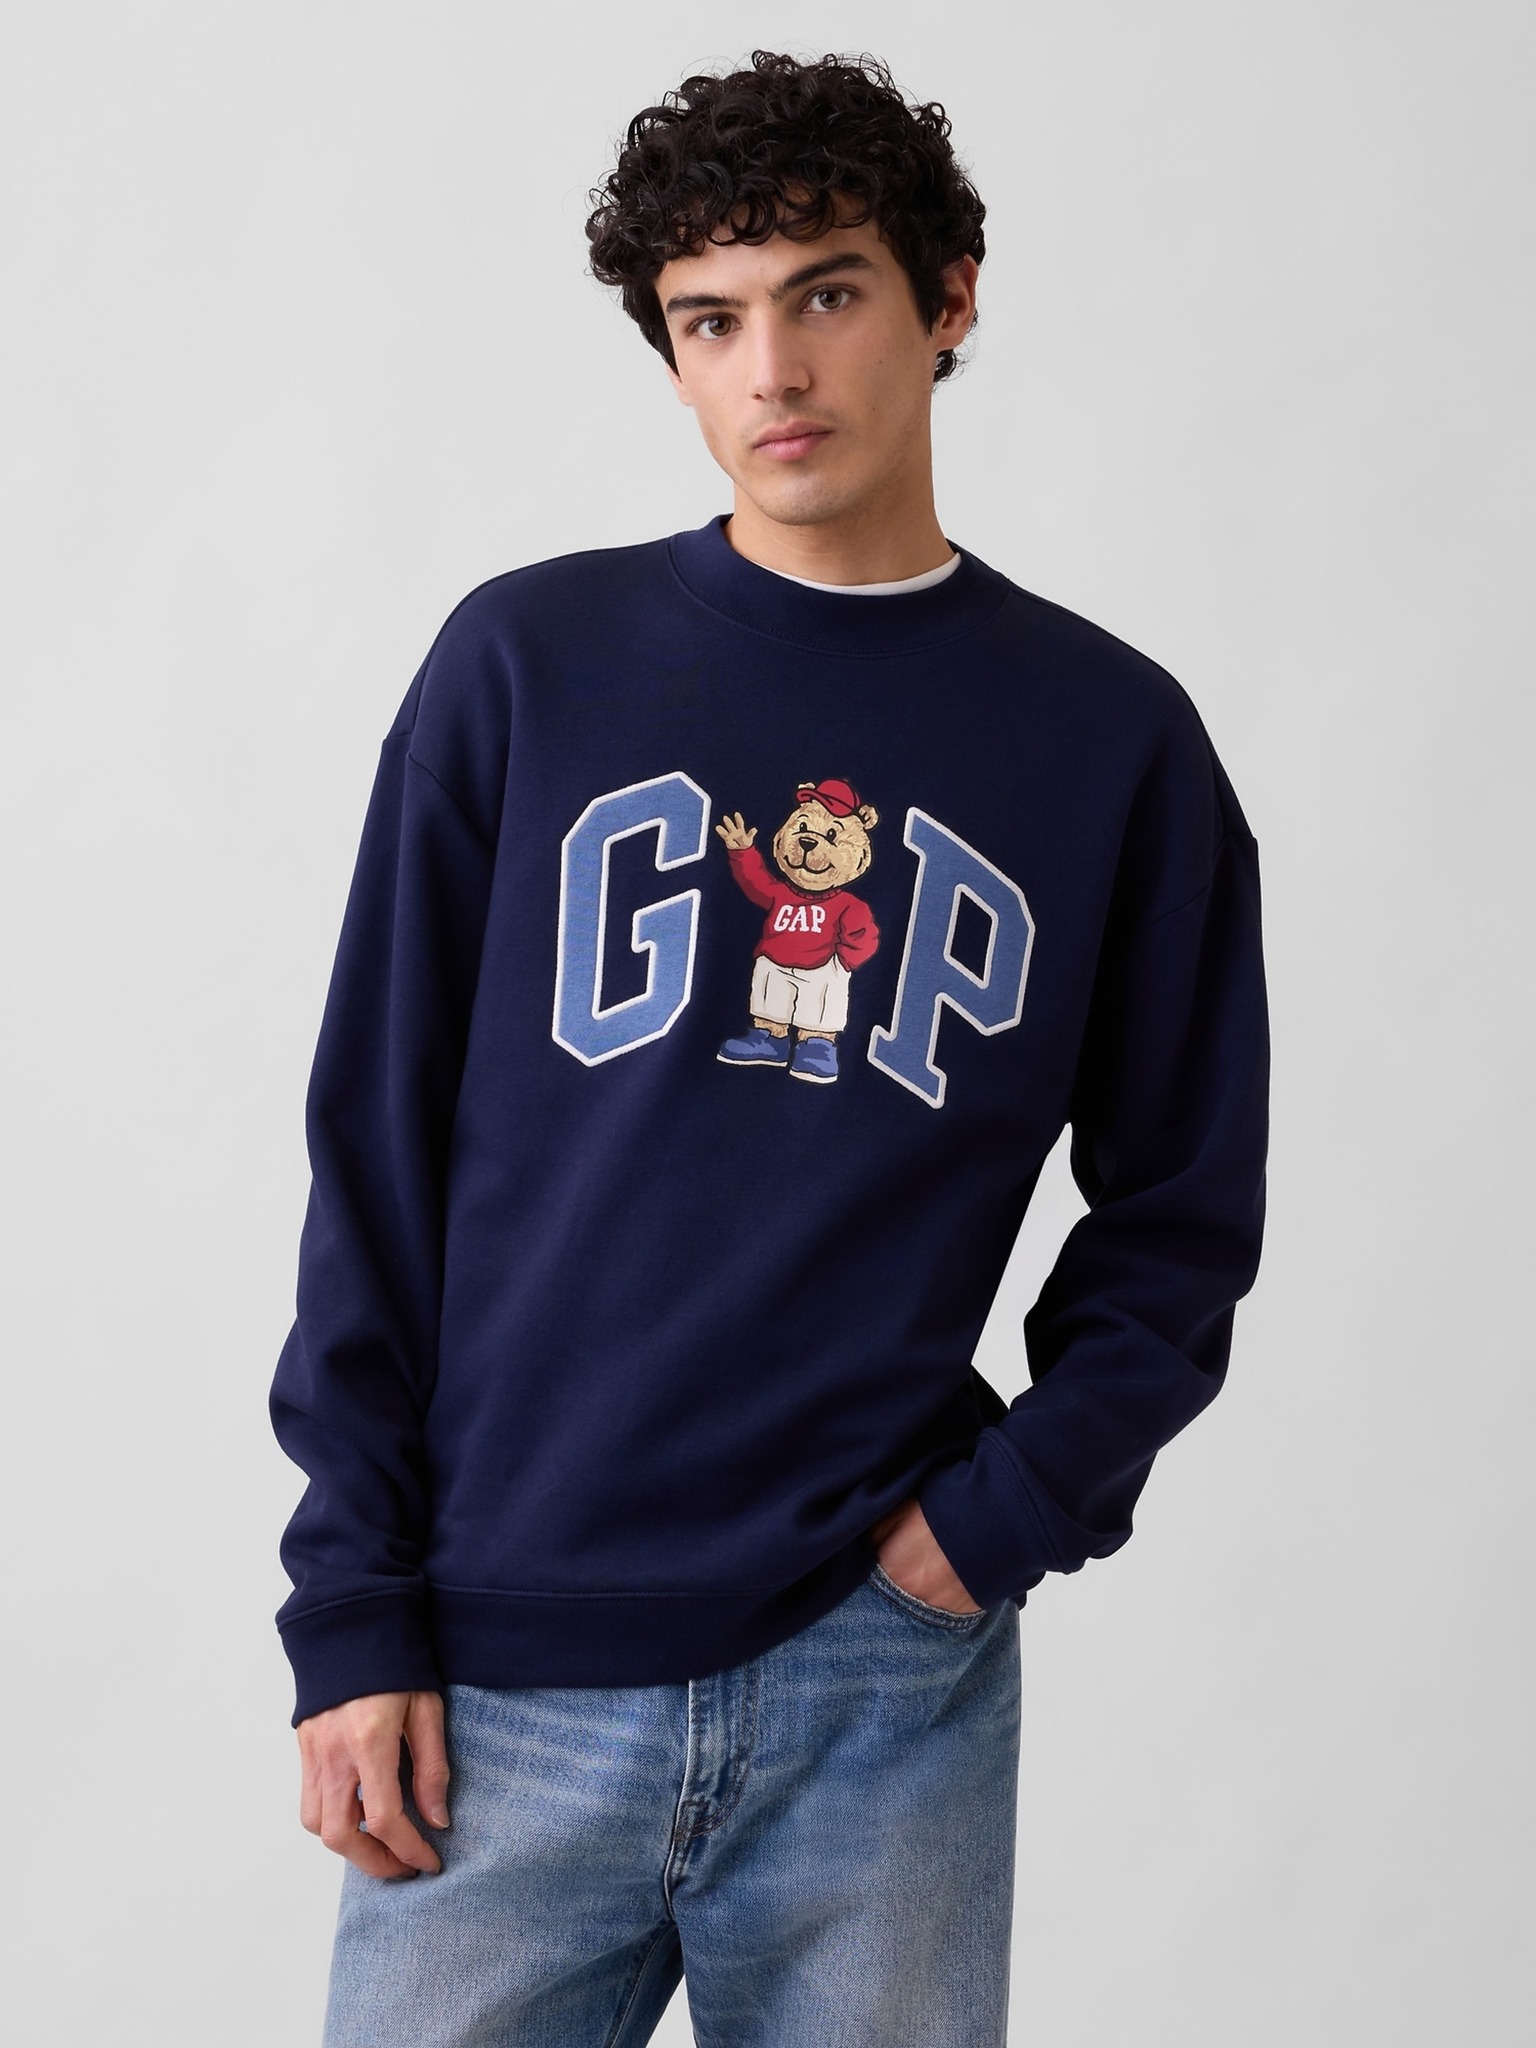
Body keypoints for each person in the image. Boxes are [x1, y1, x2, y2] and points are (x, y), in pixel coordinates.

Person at [269, 47, 1269, 2048]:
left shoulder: (1110, 742)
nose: (772, 370)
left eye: (826, 292)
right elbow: (374, 1159)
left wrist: (997, 1521)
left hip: (875, 1683)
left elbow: (1182, 1213)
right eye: (710, 320)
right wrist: (353, 1609)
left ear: (947, 298)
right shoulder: (524, 669)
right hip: (500, 1666)